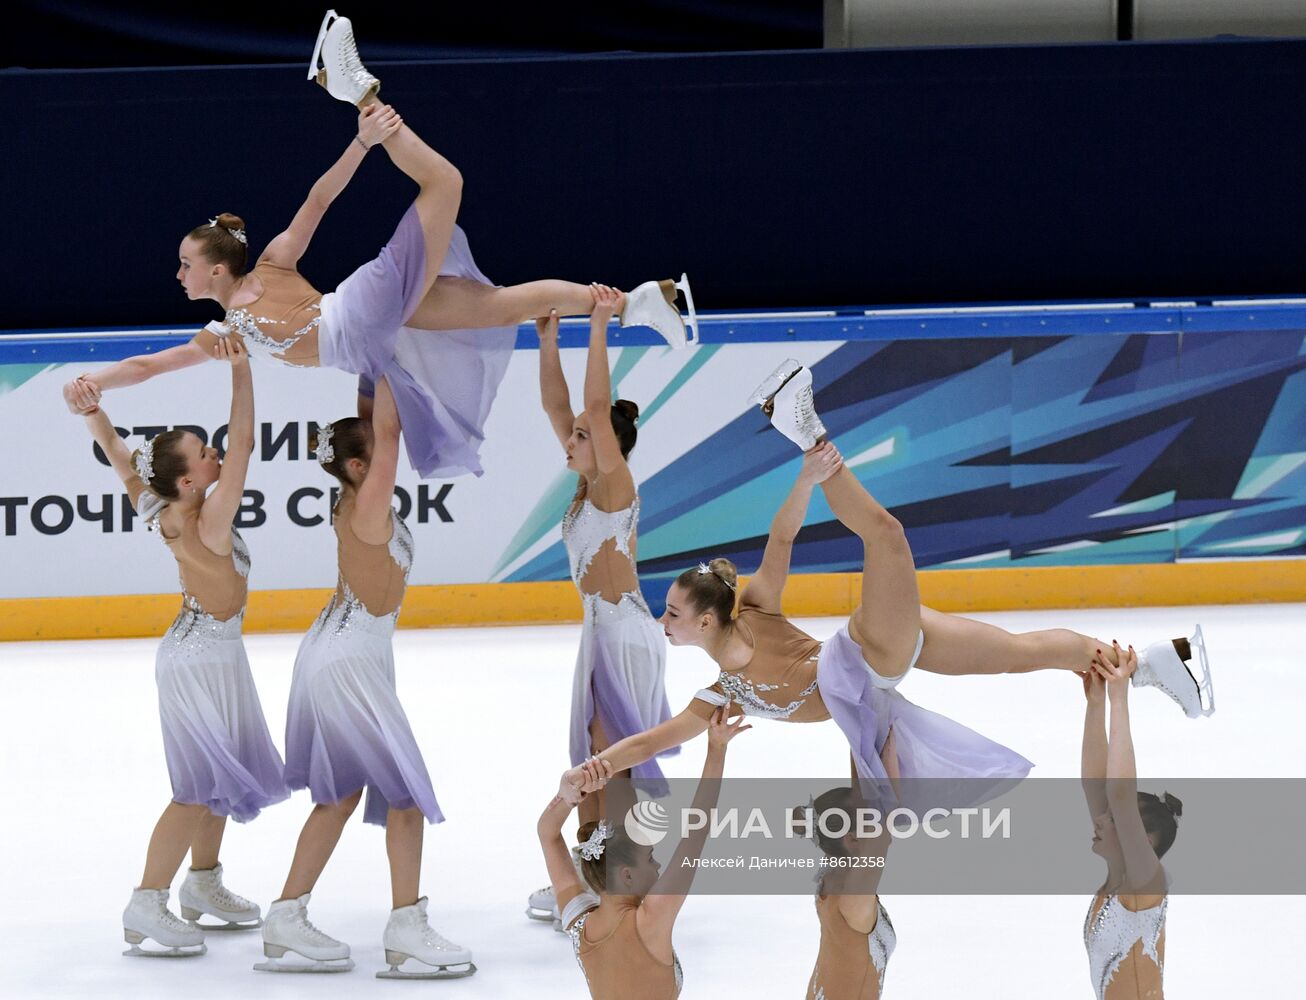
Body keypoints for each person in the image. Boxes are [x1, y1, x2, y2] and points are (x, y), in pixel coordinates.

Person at [62, 11, 696, 479]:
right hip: (378, 343)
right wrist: (97, 382)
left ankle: (358, 90)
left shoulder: (273, 267)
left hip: (362, 312)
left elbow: (317, 201)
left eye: (185, 263)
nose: (177, 274)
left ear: (219, 267)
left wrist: (363, 141)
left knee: (445, 182)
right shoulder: (228, 332)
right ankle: (645, 302)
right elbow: (150, 365)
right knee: (501, 306)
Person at [255, 376, 472, 979]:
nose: (391, 457)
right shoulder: (369, 504)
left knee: (342, 794)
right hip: (348, 660)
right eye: (377, 454)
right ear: (358, 464)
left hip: (344, 649)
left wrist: (375, 364)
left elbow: (373, 421)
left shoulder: (353, 496)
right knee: (404, 796)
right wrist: (403, 356)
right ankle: (405, 929)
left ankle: (285, 917)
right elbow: (389, 432)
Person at [80, 336, 286, 957]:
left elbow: (119, 456)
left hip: (211, 654)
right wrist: (241, 370)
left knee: (219, 777)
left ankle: (202, 884)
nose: (216, 450)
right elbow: (245, 444)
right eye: (204, 450)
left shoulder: (163, 506)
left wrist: (94, 410)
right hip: (199, 660)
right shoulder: (209, 517)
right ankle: (146, 901)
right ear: (190, 478)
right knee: (196, 787)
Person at [525, 286, 677, 925]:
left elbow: (589, 404)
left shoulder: (615, 483)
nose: (570, 439)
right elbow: (563, 405)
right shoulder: (589, 480)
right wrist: (547, 341)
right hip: (602, 634)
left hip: (623, 635)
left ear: (609, 445)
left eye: (584, 437)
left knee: (608, 763)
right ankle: (597, 871)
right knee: (594, 761)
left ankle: (619, 881)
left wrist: (600, 324)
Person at [537, 705, 750, 998]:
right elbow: (696, 832)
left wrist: (566, 797)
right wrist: (717, 748)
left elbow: (547, 835)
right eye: (650, 858)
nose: (658, 867)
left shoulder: (579, 923)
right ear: (626, 875)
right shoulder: (650, 920)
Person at [1081, 642, 1179, 1000]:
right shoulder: (1120, 882)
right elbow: (1097, 788)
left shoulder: (1144, 883)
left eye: (1115, 821)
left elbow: (1120, 799)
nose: (1100, 820)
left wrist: (1119, 699)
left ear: (1145, 841)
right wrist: (1096, 703)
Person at [802, 736, 900, 1000]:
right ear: (853, 838)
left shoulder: (834, 869)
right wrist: (890, 764)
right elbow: (882, 833)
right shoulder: (852, 897)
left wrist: (860, 738)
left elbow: (872, 823)